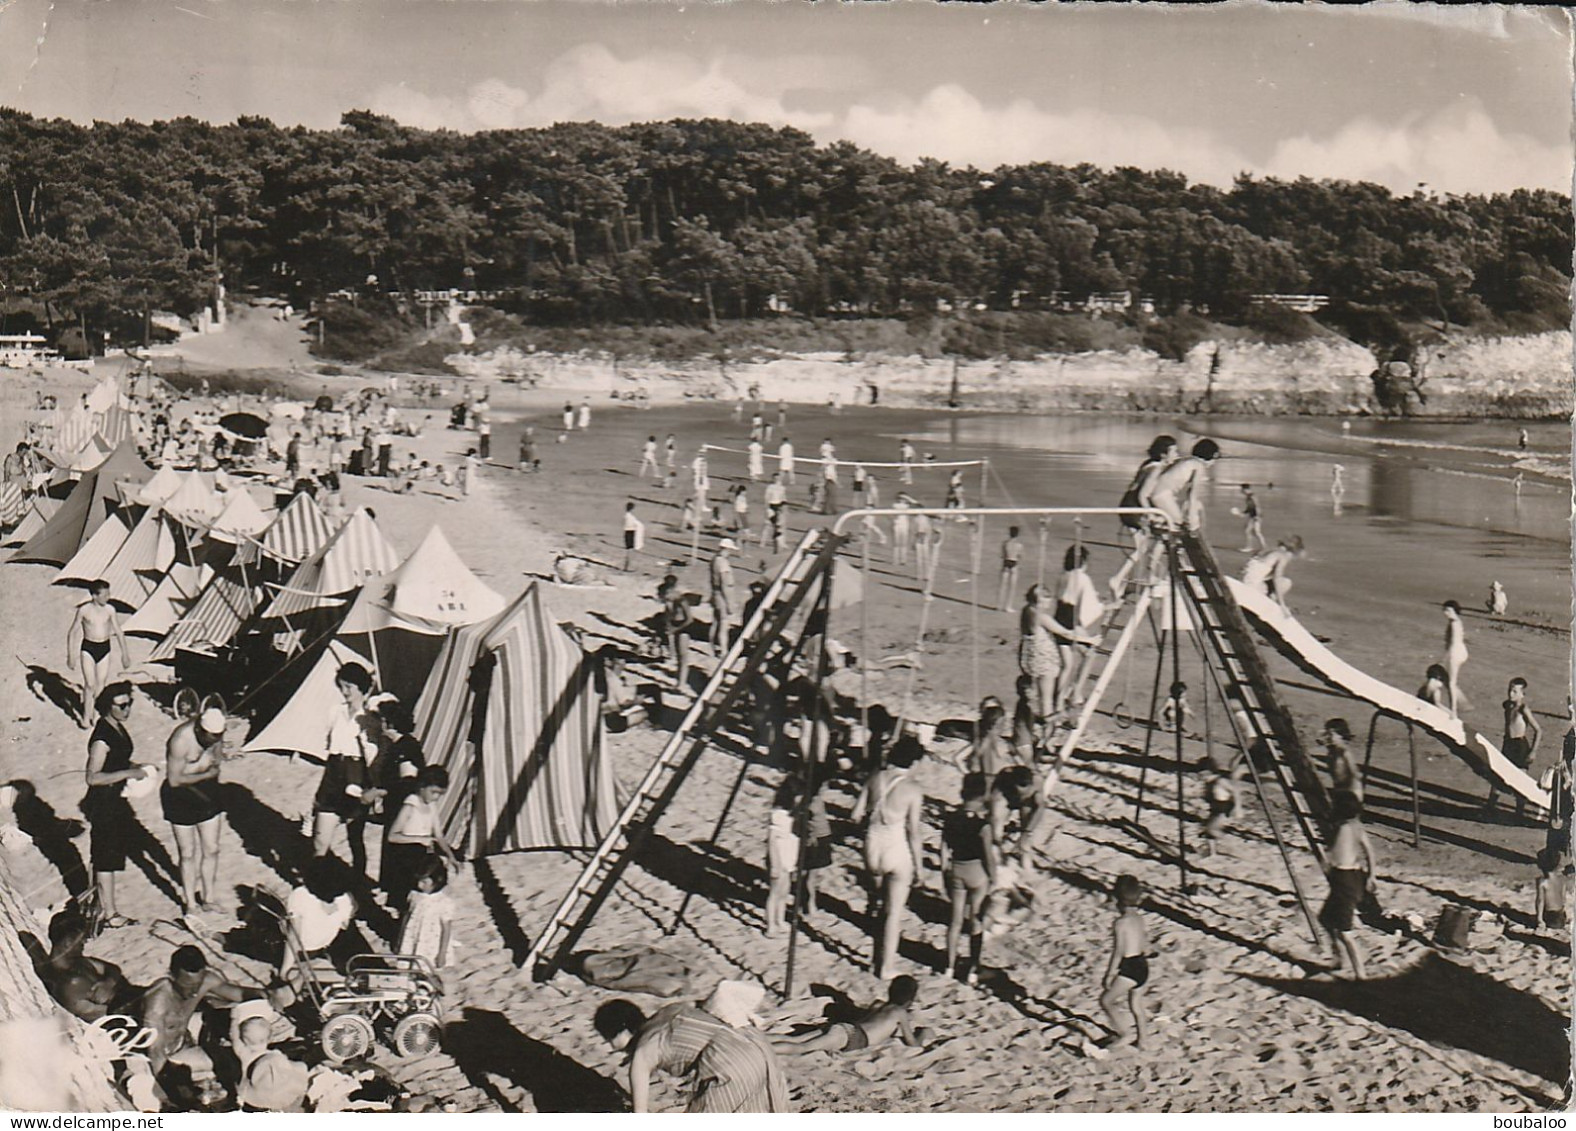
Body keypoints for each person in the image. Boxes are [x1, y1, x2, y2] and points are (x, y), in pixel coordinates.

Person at [595, 996, 788, 1113]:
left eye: (608, 1038)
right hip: (757, 1045)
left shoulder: (642, 1053)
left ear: (621, 1030)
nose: (611, 1047)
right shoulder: (670, 1010)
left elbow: (640, 1113)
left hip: (730, 1063)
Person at [851, 734, 925, 977]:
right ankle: (886, 967)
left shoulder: (874, 778)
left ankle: (875, 959)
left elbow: (855, 814)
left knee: (880, 906)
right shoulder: (912, 789)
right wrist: (920, 867)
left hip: (872, 845)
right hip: (895, 847)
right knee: (894, 913)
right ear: (912, 762)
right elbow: (914, 832)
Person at [83, 682, 150, 928]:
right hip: (103, 803)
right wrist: (127, 774)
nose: (127, 709)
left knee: (108, 855)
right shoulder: (101, 737)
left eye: (129, 703)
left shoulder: (116, 727)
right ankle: (109, 914)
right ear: (107, 705)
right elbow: (92, 777)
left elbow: (117, 760)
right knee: (104, 857)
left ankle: (105, 908)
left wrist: (134, 766)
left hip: (114, 801)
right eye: (121, 705)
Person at [139, 945, 251, 1078]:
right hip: (168, 1056)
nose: (195, 992)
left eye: (199, 985)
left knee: (230, 1016)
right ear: (172, 976)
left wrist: (272, 995)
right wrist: (169, 1086)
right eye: (189, 986)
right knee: (231, 1060)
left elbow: (240, 994)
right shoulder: (157, 1003)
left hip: (184, 1039)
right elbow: (156, 1053)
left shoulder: (204, 980)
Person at [313, 663, 383, 876]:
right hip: (334, 773)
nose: (344, 692)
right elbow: (328, 743)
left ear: (361, 687)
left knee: (355, 837)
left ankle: (358, 881)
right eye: (341, 686)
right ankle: (318, 880)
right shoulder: (336, 711)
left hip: (357, 775)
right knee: (320, 839)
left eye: (349, 687)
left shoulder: (371, 718)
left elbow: (374, 756)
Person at [162, 707, 227, 914]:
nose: (213, 742)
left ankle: (208, 898)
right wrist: (206, 775)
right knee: (187, 852)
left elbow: (216, 762)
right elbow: (174, 780)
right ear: (199, 729)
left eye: (217, 737)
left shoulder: (216, 735)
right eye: (209, 738)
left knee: (212, 848)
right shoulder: (181, 740)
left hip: (206, 791)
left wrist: (211, 774)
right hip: (180, 795)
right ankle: (190, 902)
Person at [773, 976, 927, 1055]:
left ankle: (757, 1038)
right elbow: (912, 1043)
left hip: (846, 1027)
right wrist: (923, 1033)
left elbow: (865, 1020)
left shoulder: (879, 1004)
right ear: (909, 1001)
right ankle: (762, 1050)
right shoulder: (900, 1013)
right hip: (853, 1036)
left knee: (793, 1039)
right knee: (802, 1047)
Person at [1109, 435, 1179, 600]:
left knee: (1143, 547)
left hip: (1127, 506)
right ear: (1164, 454)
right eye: (1174, 451)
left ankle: (1127, 581)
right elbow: (1142, 495)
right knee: (1149, 543)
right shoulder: (1157, 469)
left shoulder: (1148, 464)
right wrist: (1152, 514)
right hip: (1134, 509)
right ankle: (1127, 577)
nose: (1177, 454)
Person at [941, 773, 997, 982]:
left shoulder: (950, 819)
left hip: (956, 869)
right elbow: (988, 856)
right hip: (976, 872)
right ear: (983, 796)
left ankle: (949, 965)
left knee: (954, 921)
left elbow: (943, 849)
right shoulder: (983, 826)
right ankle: (973, 969)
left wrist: (944, 871)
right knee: (975, 921)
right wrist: (994, 878)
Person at [384, 766, 458, 919]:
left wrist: (451, 856)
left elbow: (439, 835)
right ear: (422, 787)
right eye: (434, 792)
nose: (436, 797)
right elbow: (392, 836)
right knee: (407, 900)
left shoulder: (431, 806)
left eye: (440, 794)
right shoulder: (410, 806)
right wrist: (419, 839)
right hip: (405, 856)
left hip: (422, 856)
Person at [1319, 791, 1375, 980]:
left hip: (1343, 879)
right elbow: (1370, 852)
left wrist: (1326, 857)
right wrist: (1372, 876)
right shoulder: (1357, 826)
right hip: (1355, 876)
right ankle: (1339, 958)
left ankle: (1361, 974)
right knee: (1325, 919)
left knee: (1345, 932)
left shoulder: (1343, 828)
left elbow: (1334, 855)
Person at [37, 910, 128, 1023]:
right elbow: (100, 1016)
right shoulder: (71, 982)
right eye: (82, 940)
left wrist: (108, 982)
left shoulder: (78, 962)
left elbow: (113, 968)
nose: (84, 944)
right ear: (68, 942)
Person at [1097, 874, 1152, 1053]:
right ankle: (1143, 1041)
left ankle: (1124, 1034)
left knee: (1106, 1000)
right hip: (1142, 964)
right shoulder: (1139, 918)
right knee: (1136, 1005)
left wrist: (1110, 974)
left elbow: (1118, 951)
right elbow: (1145, 943)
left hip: (1129, 968)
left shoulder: (1121, 922)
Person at [67, 580, 130, 731]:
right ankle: (85, 716)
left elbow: (119, 632)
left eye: (109, 593)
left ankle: (95, 712)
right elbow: (72, 632)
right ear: (94, 595)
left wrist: (125, 654)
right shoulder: (84, 610)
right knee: (89, 684)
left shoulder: (110, 610)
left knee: (101, 684)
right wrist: (70, 655)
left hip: (104, 648)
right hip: (88, 648)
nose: (108, 596)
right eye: (105, 594)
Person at [1055, 544, 1108, 711]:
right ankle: (1075, 693)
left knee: (1068, 665)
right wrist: (1107, 606)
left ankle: (1060, 698)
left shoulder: (1063, 576)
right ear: (1083, 561)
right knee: (1089, 653)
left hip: (1060, 616)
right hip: (1070, 620)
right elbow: (1090, 606)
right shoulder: (1082, 577)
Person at [1019, 584, 1080, 725]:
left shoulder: (1027, 611)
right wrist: (1089, 639)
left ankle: (1051, 720)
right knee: (1046, 700)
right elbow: (1064, 632)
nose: (1049, 604)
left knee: (1043, 697)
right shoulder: (1040, 616)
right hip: (1043, 660)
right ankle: (1048, 732)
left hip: (1033, 657)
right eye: (1047, 600)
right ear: (1040, 600)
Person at [283, 858, 357, 974]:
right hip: (325, 945)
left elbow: (293, 938)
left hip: (302, 953)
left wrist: (285, 972)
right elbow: (344, 925)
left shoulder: (301, 895)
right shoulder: (346, 900)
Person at [1487, 677, 1542, 817]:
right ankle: (1489, 807)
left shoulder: (1524, 709)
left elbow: (1539, 730)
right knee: (1498, 776)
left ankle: (1519, 813)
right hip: (1508, 744)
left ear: (1523, 694)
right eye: (1509, 690)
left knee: (1520, 781)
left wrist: (1533, 751)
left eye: (1515, 691)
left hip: (1520, 746)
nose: (1511, 694)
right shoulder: (1508, 706)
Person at [1147, 438, 1221, 532]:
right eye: (1215, 459)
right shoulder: (1199, 466)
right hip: (1163, 495)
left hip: (1155, 492)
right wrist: (1193, 519)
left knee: (1171, 527)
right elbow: (1192, 495)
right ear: (1211, 456)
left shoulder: (1187, 460)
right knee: (1179, 526)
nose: (1214, 463)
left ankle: (1160, 530)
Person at [399, 857, 457, 969]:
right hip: (412, 939)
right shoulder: (414, 895)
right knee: (408, 968)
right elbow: (407, 917)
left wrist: (442, 953)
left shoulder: (444, 902)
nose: (420, 885)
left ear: (437, 880)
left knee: (427, 970)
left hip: (431, 945)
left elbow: (446, 930)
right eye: (418, 881)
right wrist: (400, 939)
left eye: (424, 882)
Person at [765, 776, 802, 938]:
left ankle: (780, 920)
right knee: (774, 893)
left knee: (784, 892)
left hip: (788, 858)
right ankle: (770, 925)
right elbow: (772, 840)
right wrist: (775, 864)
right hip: (778, 858)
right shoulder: (778, 814)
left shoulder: (792, 814)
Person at [1242, 536, 1305, 616]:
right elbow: (1277, 579)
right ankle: (1270, 606)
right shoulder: (1282, 556)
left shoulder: (1269, 550)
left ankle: (1269, 601)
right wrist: (1282, 605)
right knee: (1286, 583)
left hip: (1244, 583)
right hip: (1253, 588)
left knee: (1283, 582)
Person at [658, 575, 694, 692]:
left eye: (664, 596)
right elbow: (667, 617)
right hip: (676, 626)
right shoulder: (670, 602)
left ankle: (682, 684)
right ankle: (679, 681)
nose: (664, 599)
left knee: (683, 657)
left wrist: (675, 629)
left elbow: (690, 619)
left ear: (669, 592)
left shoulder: (681, 601)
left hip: (684, 627)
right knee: (678, 657)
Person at [1441, 600, 1469, 718]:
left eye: (1448, 610)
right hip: (1460, 651)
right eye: (1445, 610)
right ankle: (1463, 703)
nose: (1446, 613)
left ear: (1454, 611)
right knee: (1449, 680)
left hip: (1455, 652)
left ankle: (1454, 711)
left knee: (1451, 683)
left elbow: (1453, 642)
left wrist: (1445, 657)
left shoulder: (1454, 623)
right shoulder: (1456, 621)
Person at [710, 538, 738, 656]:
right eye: (730, 550)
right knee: (724, 624)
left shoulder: (714, 559)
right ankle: (724, 650)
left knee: (716, 622)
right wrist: (729, 603)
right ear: (725, 549)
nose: (730, 553)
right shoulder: (723, 563)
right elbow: (725, 584)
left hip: (715, 593)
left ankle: (711, 647)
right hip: (722, 595)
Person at [996, 526, 1023, 611]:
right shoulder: (1019, 545)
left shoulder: (1005, 543)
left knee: (1002, 585)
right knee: (1012, 587)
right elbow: (1020, 556)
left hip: (1006, 562)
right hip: (1014, 563)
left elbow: (1002, 555)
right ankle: (1008, 606)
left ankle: (998, 605)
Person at [1237, 484, 1267, 553]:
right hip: (1253, 516)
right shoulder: (1248, 497)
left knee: (1252, 531)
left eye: (1242, 489)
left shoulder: (1252, 497)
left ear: (1246, 489)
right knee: (1253, 531)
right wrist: (1243, 513)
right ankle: (1263, 547)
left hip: (1255, 516)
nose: (1241, 491)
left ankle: (1250, 547)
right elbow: (1249, 508)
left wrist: (1257, 517)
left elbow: (1257, 507)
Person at [622, 501, 645, 572]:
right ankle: (627, 567)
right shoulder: (629, 516)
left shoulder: (628, 515)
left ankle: (627, 566)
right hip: (630, 532)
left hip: (629, 532)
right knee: (630, 550)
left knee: (629, 550)